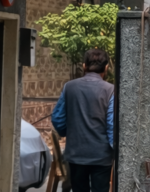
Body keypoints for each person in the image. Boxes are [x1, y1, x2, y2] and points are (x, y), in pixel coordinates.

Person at [51, 48, 115, 192]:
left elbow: (57, 118)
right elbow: (111, 125)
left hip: (76, 154)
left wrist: (69, 133)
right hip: (101, 155)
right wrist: (115, 150)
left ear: (84, 66)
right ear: (106, 67)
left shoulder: (69, 87)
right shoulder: (111, 90)